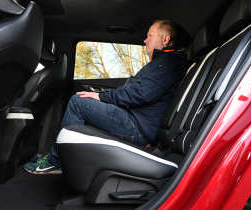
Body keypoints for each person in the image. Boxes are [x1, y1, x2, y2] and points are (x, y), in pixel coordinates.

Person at [24, 19, 191, 174]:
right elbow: (136, 91)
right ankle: (68, 159)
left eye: (149, 36)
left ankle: (56, 161)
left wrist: (102, 97)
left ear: (166, 39)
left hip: (138, 128)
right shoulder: (162, 63)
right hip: (135, 120)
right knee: (83, 100)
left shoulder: (168, 63)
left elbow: (138, 94)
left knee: (78, 102)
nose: (145, 40)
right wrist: (101, 96)